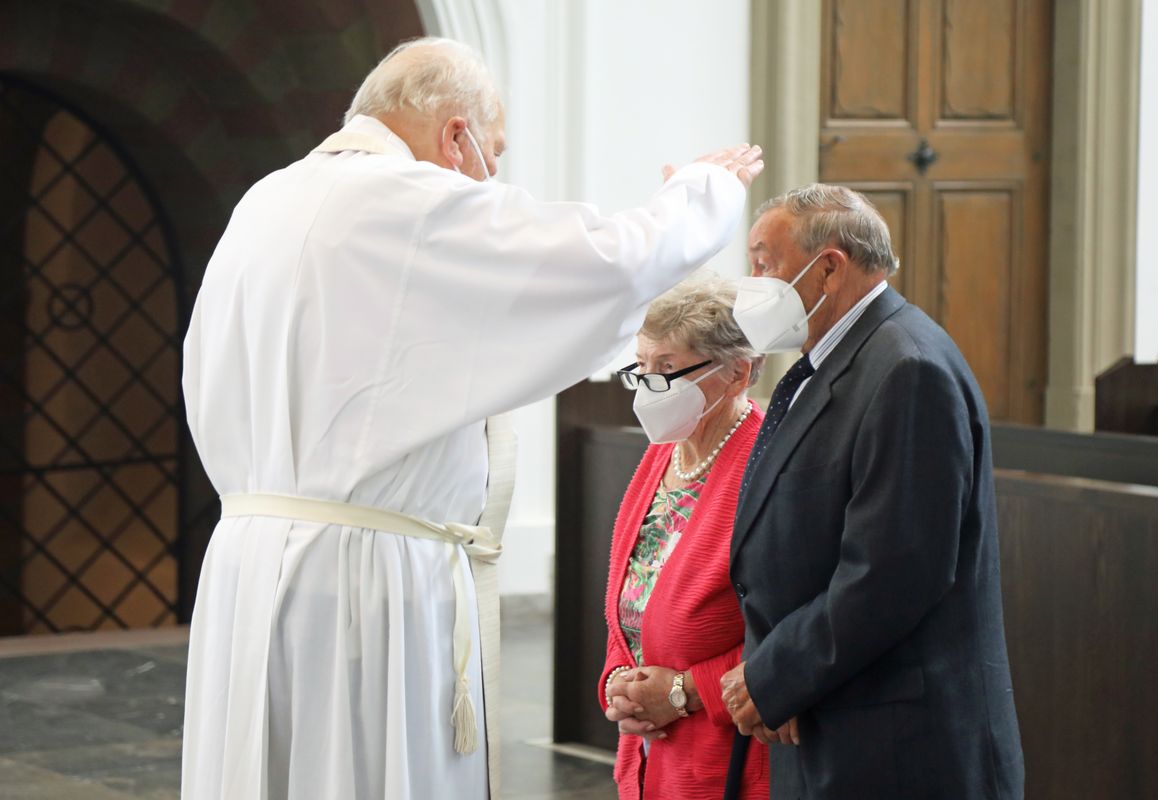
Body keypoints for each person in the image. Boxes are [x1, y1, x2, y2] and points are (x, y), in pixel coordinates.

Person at [180, 36, 763, 799]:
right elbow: (600, 262)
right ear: (455, 136)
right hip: (366, 581)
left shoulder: (265, 201)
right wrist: (702, 193)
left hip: (247, 569)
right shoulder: (407, 199)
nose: (494, 175)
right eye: (494, 152)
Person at [718, 184, 1024, 798]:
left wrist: (777, 674)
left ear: (828, 268)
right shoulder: (835, 360)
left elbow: (892, 573)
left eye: (763, 261)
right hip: (835, 718)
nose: (751, 281)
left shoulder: (908, 368)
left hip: (901, 746)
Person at [598, 273, 769, 800]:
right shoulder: (663, 450)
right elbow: (629, 595)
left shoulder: (767, 464)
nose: (649, 386)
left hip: (729, 753)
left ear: (737, 373)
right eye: (641, 368)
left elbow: (785, 629)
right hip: (649, 753)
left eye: (666, 369)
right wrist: (617, 686)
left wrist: (680, 693)